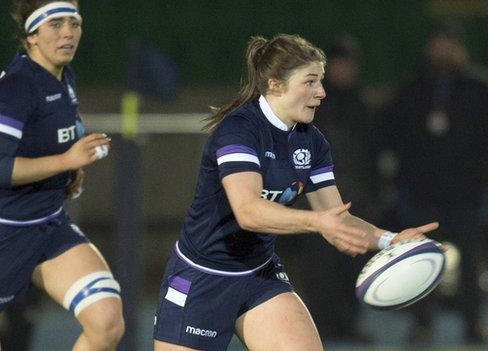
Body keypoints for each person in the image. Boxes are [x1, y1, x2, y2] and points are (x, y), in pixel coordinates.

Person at [152, 34, 438, 351]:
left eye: (321, 81)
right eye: (310, 82)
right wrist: (317, 222)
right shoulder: (240, 130)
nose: (321, 92)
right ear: (275, 84)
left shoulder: (312, 141)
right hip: (202, 280)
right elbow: (248, 211)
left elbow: (335, 218)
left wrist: (389, 240)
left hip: (258, 276)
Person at [0, 1, 124, 350]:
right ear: (31, 35)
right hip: (0, 235)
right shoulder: (18, 87)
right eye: (56, 24)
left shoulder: (63, 77)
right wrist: (65, 160)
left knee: (106, 320)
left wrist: (70, 169)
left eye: (74, 23)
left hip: (48, 226)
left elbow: (48, 143)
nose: (68, 33)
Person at [380, 22, 488, 345]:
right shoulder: (413, 89)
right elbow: (393, 136)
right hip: (423, 192)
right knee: (420, 263)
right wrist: (400, 177)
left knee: (470, 263)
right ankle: (421, 324)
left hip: (466, 193)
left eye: (448, 44)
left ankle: (472, 325)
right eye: (437, 44)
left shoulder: (477, 89)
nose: (442, 51)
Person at [299, 35, 376, 343]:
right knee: (321, 269)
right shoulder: (314, 109)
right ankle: (318, 324)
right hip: (320, 202)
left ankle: (347, 322)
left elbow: (371, 154)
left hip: (355, 198)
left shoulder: (363, 105)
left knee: (353, 265)